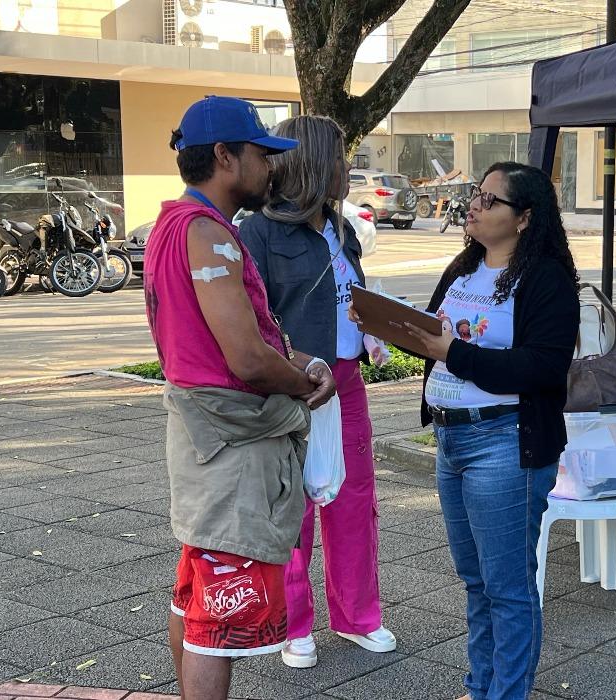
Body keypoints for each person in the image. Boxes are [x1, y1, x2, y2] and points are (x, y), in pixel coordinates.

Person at [145, 96, 336, 700]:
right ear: (225, 156)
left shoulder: (173, 225)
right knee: (215, 622)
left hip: (203, 439)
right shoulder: (208, 236)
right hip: (231, 445)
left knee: (196, 593)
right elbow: (247, 359)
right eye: (261, 154)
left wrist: (297, 358)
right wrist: (304, 384)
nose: (271, 168)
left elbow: (246, 339)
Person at [370, 162, 579, 700]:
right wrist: (388, 326)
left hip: (505, 443)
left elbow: (542, 368)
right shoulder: (465, 267)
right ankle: (481, 686)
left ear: (525, 218)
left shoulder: (546, 279)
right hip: (451, 439)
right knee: (476, 582)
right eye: (476, 195)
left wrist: (453, 352)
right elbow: (438, 345)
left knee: (507, 589)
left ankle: (504, 694)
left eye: (490, 200)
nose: (475, 206)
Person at [236, 115, 395, 669]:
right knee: (294, 508)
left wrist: (371, 327)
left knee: (353, 502)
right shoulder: (255, 232)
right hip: (292, 388)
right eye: (340, 158)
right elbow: (253, 319)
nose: (349, 169)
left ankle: (358, 617)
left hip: (346, 381)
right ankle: (292, 624)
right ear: (310, 164)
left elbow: (347, 294)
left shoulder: (341, 227)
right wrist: (293, 365)